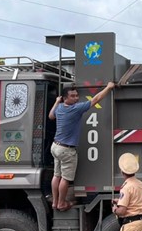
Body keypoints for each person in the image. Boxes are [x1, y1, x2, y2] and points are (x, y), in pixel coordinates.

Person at [49, 81, 115, 211]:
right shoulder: (76, 108)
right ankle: (61, 203)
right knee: (65, 179)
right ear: (65, 98)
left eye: (76, 95)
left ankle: (55, 202)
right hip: (66, 150)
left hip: (55, 146)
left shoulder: (60, 107)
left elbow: (51, 116)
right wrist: (108, 87)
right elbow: (96, 99)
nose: (76, 98)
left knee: (56, 175)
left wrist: (57, 101)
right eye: (72, 96)